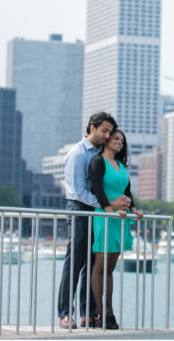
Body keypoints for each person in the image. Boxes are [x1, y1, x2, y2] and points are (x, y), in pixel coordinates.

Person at [56, 112, 131, 330]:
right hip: (80, 210)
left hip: (99, 213)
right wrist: (108, 204)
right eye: (104, 131)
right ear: (92, 128)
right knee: (75, 261)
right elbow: (78, 192)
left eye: (110, 132)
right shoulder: (77, 154)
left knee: (92, 264)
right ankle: (64, 313)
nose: (108, 136)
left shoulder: (103, 155)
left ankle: (86, 313)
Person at [88, 128, 143, 330]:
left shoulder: (120, 165)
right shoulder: (97, 162)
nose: (119, 142)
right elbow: (97, 189)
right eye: (116, 138)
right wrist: (111, 210)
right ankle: (101, 313)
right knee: (101, 264)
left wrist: (135, 209)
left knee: (110, 268)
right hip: (105, 216)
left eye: (122, 140)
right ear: (106, 140)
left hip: (121, 218)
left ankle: (109, 311)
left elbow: (126, 191)